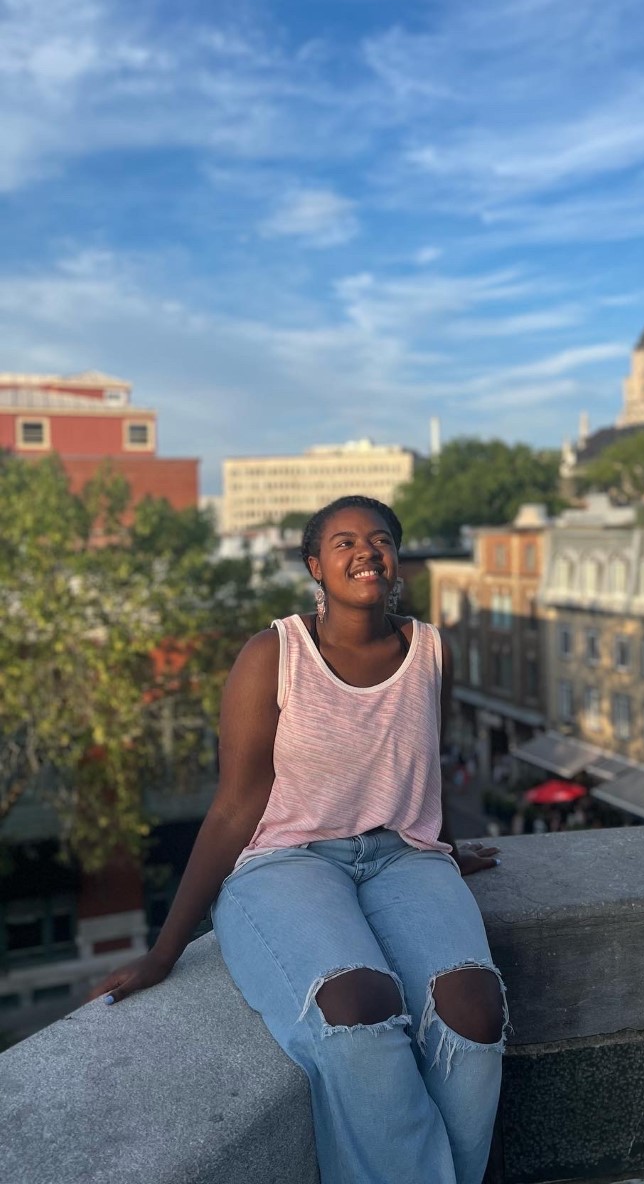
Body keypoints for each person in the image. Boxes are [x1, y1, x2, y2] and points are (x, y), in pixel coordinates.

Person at [92, 495, 506, 1184]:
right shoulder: (273, 655)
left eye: (379, 539)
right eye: (343, 542)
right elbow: (233, 806)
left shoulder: (430, 650)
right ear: (315, 565)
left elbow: (421, 760)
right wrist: (165, 951)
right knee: (356, 1007)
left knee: (474, 1009)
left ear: (397, 559)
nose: (364, 552)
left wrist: (450, 848)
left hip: (405, 855)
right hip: (288, 862)